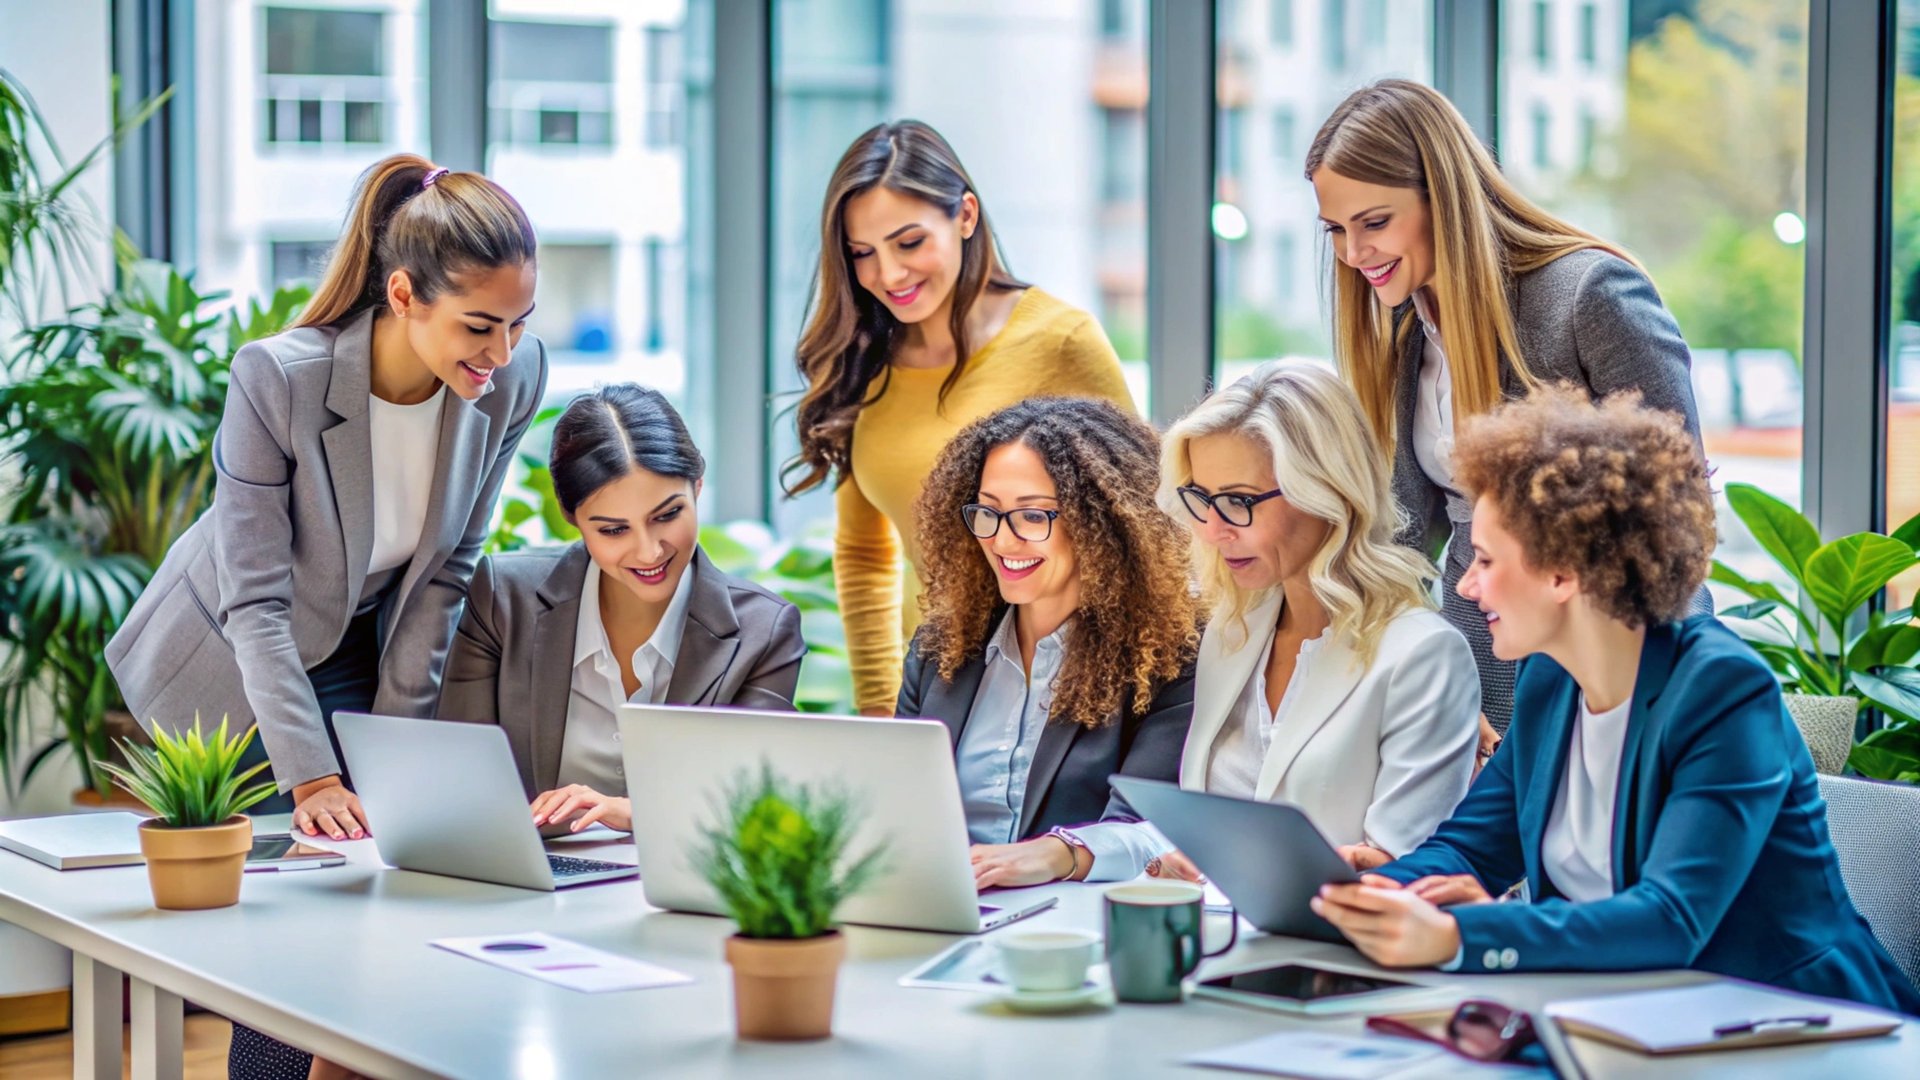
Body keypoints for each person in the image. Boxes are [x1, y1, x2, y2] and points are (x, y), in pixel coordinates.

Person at [102, 153, 545, 1079]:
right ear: (402, 294)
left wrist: (388, 756)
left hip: (357, 637)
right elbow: (253, 600)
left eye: (516, 324)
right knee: (295, 914)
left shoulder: (507, 379)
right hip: (229, 652)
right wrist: (312, 781)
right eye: (478, 325)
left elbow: (446, 571)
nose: (498, 353)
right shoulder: (281, 379)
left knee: (372, 875)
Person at [1311, 387, 1920, 1015]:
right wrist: (1361, 893)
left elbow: (1669, 918)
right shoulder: (1550, 681)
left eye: (1487, 560)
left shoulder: (1722, 691)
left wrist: (1460, 935)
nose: (1465, 584)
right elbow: (1470, 848)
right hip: (1630, 1018)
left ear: (1563, 572)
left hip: (1801, 1028)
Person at [1306, 79, 1706, 736]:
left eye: (1375, 222)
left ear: (1446, 196)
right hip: (1480, 664)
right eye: (1337, 230)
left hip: (1621, 660)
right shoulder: (1406, 333)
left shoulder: (1589, 296)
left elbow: (1680, 513)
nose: (1353, 254)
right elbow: (1409, 538)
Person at [783, 120, 1136, 717]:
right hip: (937, 689)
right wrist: (879, 707)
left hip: (1061, 686)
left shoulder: (1060, 341)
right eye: (861, 254)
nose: (888, 274)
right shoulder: (865, 360)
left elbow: (1136, 528)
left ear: (965, 216)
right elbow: (866, 552)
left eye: (910, 242)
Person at [1097, 363, 1480, 882]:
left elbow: (1401, 870)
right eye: (1201, 500)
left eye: (1237, 502)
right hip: (1224, 940)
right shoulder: (1234, 630)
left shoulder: (1422, 655)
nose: (1212, 530)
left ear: (1327, 492)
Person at [437, 384, 806, 833]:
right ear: (572, 519)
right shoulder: (505, 599)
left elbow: (751, 800)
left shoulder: (763, 631)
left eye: (667, 515)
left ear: (698, 488)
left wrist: (633, 814)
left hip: (683, 884)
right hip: (531, 879)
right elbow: (459, 776)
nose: (649, 551)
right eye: (614, 530)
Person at [893, 397, 1198, 889]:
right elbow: (897, 803)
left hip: (1070, 925)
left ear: (1104, 523)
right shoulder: (941, 647)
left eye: (1033, 517)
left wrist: (1057, 853)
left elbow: (1153, 828)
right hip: (941, 903)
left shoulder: (1168, 655)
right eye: (988, 513)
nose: (1003, 541)